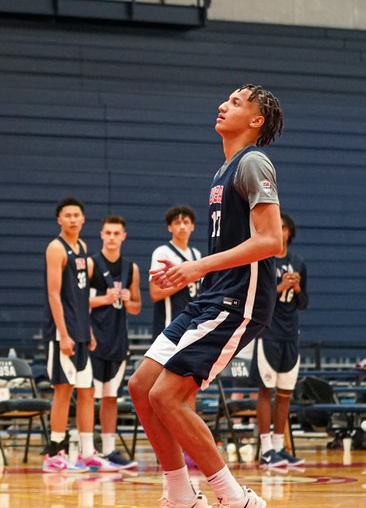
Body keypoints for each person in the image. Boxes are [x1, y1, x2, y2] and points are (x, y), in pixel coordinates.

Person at [129, 84, 284, 508]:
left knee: (167, 395)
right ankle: (180, 494)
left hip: (239, 299)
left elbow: (272, 241)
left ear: (256, 121)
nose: (222, 104)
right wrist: (192, 274)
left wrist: (198, 265)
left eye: (236, 102)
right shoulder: (224, 169)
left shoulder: (253, 162)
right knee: (142, 386)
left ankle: (235, 498)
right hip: (211, 296)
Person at [41, 198, 119, 473]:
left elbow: (83, 295)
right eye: (68, 215)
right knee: (63, 391)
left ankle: (87, 453)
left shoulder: (84, 248)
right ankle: (55, 452)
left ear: (83, 219)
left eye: (77, 215)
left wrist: (88, 330)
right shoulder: (55, 248)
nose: (73, 219)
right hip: (62, 333)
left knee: (87, 392)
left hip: (82, 332)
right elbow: (53, 293)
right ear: (59, 220)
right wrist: (64, 333)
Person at [252, 213, 308, 468]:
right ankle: (265, 451)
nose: (281, 230)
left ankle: (278, 447)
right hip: (268, 332)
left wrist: (296, 289)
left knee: (285, 393)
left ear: (289, 232)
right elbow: (258, 299)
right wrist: (281, 286)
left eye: (284, 227)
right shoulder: (263, 261)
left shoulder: (298, 262)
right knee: (266, 390)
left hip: (290, 334)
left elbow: (305, 303)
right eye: (278, 226)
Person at [88, 214, 142, 469]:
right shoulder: (91, 264)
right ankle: (86, 450)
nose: (111, 237)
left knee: (110, 397)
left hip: (118, 341)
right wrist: (104, 298)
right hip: (93, 340)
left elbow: (136, 308)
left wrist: (128, 299)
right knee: (89, 396)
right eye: (107, 233)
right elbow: (78, 302)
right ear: (101, 235)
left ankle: (108, 450)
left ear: (123, 236)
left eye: (116, 233)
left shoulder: (131, 268)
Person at [151, 206, 202, 338]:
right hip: (169, 325)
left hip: (192, 326)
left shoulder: (196, 254)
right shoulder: (162, 252)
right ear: (170, 227)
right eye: (177, 223)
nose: (182, 227)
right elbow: (155, 293)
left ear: (192, 226)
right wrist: (182, 280)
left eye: (185, 222)